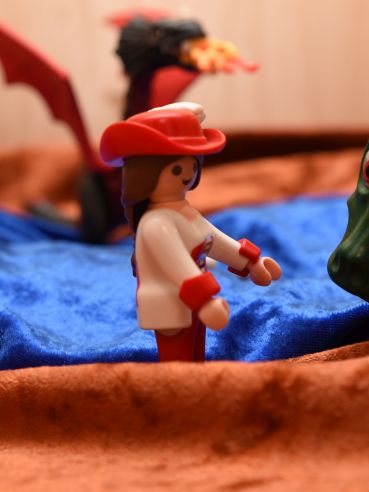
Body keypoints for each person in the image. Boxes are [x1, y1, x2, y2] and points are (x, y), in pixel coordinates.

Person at [99, 102, 282, 361]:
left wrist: (251, 261)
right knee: (179, 363)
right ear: (145, 174)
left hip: (192, 301)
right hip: (172, 304)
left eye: (192, 166)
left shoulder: (183, 211)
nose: (187, 175)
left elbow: (212, 238)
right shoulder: (155, 224)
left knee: (196, 356)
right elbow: (179, 266)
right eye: (177, 169)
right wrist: (204, 300)